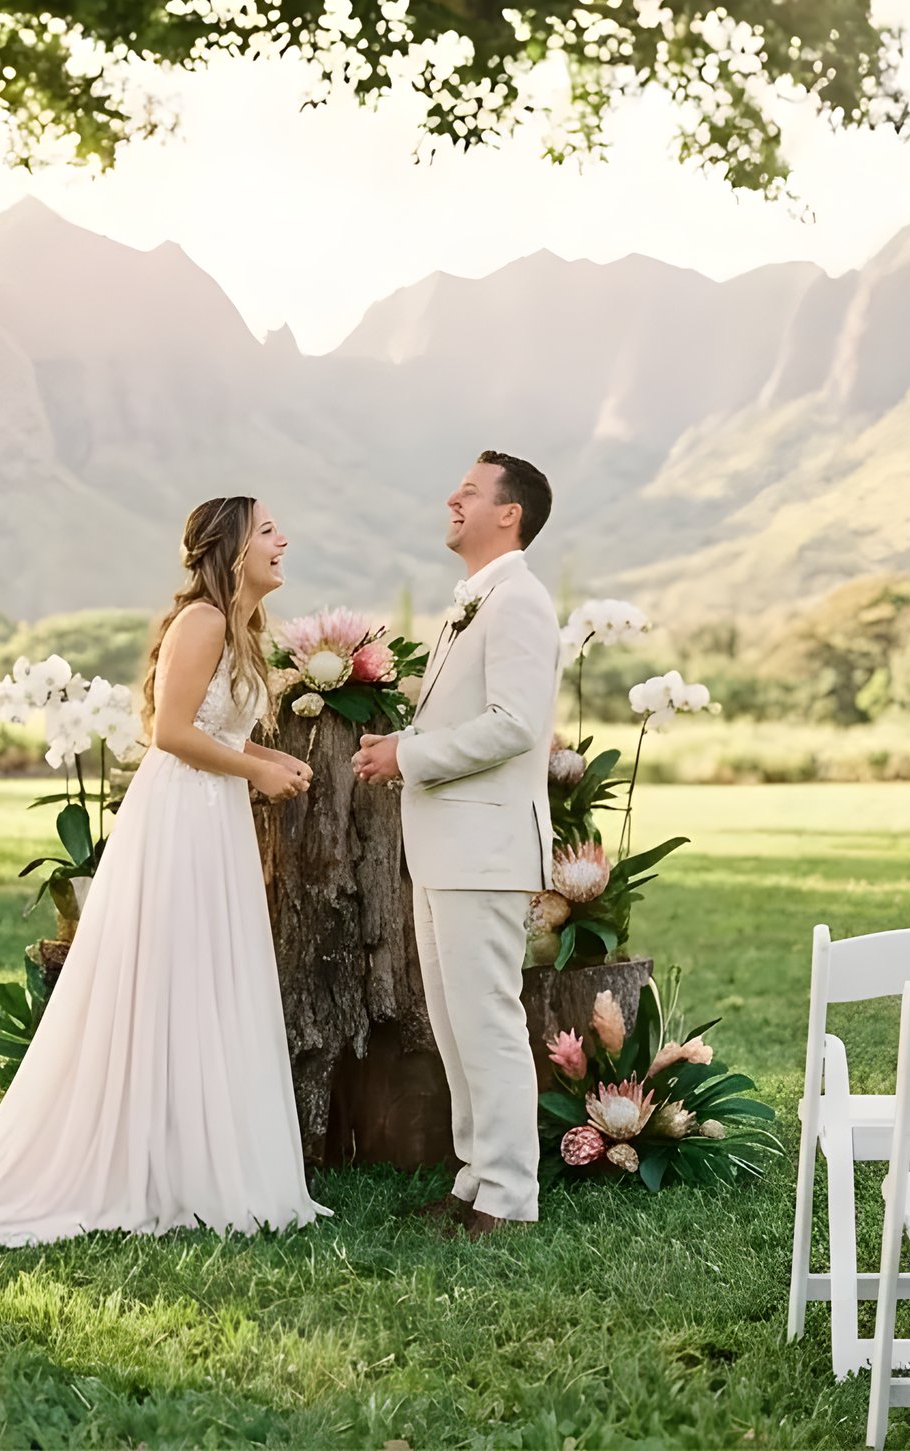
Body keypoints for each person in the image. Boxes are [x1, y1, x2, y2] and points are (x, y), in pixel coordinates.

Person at [0, 494, 327, 1242]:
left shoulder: (241, 628)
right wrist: (255, 772)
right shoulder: (203, 621)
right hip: (181, 817)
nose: (285, 540)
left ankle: (196, 1161)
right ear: (233, 548)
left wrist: (267, 758)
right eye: (269, 530)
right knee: (173, 971)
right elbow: (170, 732)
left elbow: (218, 730)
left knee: (205, 973)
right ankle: (144, 1165)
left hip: (212, 814)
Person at [354, 450, 559, 1236]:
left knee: (487, 1023)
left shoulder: (520, 601)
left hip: (485, 846)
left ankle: (510, 1197)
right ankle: (475, 1177)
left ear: (509, 513)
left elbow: (514, 726)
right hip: (448, 846)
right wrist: (401, 745)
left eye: (469, 491)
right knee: (456, 1026)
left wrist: (408, 757)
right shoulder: (477, 600)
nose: (452, 497)